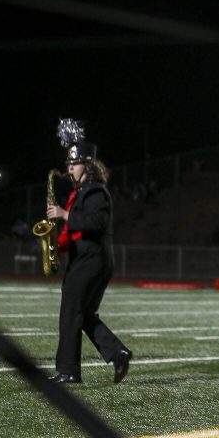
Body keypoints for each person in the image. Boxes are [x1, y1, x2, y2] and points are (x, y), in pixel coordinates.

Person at [45, 118, 132, 385]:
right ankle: (117, 353)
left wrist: (63, 213)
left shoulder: (96, 190)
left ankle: (69, 370)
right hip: (88, 258)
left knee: (71, 312)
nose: (69, 168)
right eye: (69, 164)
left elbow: (96, 222)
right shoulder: (84, 190)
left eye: (74, 164)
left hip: (91, 259)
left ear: (88, 165)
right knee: (84, 314)